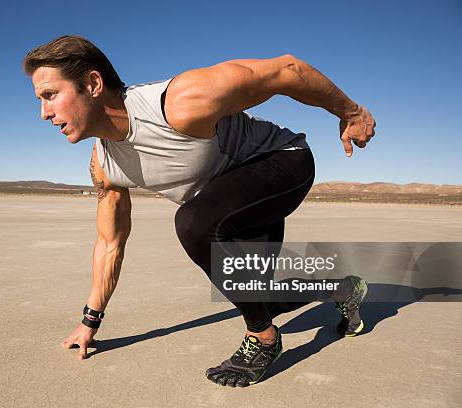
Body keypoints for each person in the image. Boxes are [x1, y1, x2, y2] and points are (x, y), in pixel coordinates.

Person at [23, 35, 375, 387]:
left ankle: (263, 340)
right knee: (257, 297)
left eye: (50, 95)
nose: (44, 113)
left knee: (193, 222)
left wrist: (351, 112)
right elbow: (109, 244)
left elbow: (287, 70)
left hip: (283, 163)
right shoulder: (105, 167)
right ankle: (343, 290)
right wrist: (90, 322)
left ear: (93, 84)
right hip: (230, 206)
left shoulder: (179, 103)